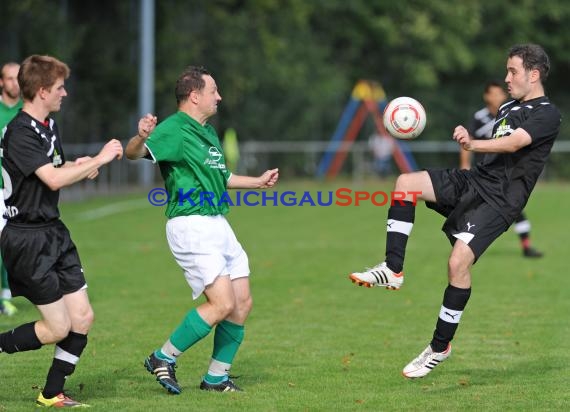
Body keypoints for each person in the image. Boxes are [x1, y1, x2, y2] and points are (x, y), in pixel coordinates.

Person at [348, 44, 560, 378]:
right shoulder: (506, 106)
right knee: (406, 183)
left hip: (500, 201)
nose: (506, 78)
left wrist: (473, 143)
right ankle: (393, 268)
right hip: (475, 182)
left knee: (457, 262)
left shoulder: (547, 113)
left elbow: (516, 142)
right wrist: (468, 138)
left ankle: (439, 346)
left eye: (513, 71)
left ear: (534, 75)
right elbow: (493, 146)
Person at [125, 66, 278, 394]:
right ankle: (162, 357)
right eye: (214, 91)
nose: (219, 97)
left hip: (218, 223)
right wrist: (141, 135)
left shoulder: (207, 132)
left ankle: (216, 378)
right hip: (191, 224)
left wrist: (257, 182)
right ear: (194, 95)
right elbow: (133, 153)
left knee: (241, 302)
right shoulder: (175, 128)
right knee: (221, 304)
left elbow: (221, 178)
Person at [0, 55, 123, 407]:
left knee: (82, 317)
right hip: (26, 238)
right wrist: (98, 160)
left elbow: (54, 169)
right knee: (57, 328)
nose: (64, 93)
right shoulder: (21, 131)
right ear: (41, 91)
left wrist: (80, 165)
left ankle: (51, 392)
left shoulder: (47, 126)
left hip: (53, 232)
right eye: (59, 88)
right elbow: (52, 178)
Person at [461, 81, 543, 258]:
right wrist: (465, 165)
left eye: (500, 93)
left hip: (507, 173)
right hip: (483, 173)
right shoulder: (479, 117)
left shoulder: (513, 114)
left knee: (516, 209)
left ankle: (527, 246)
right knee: (475, 209)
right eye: (494, 93)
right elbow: (467, 142)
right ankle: (466, 243)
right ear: (486, 96)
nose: (498, 97)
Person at [0, 61, 23, 316]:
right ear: (1, 82)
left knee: (10, 242)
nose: (14, 83)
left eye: (18, 78)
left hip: (15, 189)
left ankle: (6, 292)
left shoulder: (24, 112)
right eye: (9, 78)